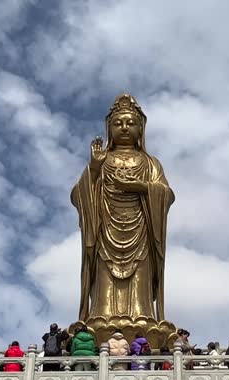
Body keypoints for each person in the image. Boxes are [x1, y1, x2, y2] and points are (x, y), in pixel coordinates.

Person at [72, 94, 175, 343]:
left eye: (131, 123)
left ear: (140, 129)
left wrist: (141, 187)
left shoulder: (150, 162)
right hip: (106, 229)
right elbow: (79, 194)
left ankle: (143, 317)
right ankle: (99, 316)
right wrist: (94, 168)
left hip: (140, 229)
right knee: (105, 278)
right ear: (109, 129)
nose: (125, 128)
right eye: (118, 123)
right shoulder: (102, 160)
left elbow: (166, 194)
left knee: (139, 277)